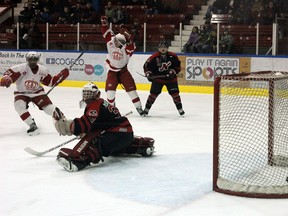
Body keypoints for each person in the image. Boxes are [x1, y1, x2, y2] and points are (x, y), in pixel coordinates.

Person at [53, 82, 155, 172]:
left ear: (96, 94)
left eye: (89, 94)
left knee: (97, 145)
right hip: (126, 133)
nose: (86, 97)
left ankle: (79, 162)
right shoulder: (102, 103)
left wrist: (69, 127)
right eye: (85, 94)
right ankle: (141, 147)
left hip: (118, 134)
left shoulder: (95, 104)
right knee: (114, 148)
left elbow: (86, 122)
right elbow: (99, 123)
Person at [0, 51, 69, 136]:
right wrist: (7, 79)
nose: (32, 62)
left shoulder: (42, 70)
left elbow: (50, 82)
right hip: (22, 93)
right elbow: (9, 74)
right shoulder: (20, 68)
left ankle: (65, 122)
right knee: (19, 105)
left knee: (48, 109)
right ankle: (32, 125)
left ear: (38, 60)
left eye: (35, 59)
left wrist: (60, 77)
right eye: (30, 59)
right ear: (27, 59)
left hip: (37, 92)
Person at [100, 15, 145, 116]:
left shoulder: (127, 49)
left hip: (123, 72)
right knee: (110, 93)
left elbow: (132, 46)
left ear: (122, 43)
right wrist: (104, 24)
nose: (114, 41)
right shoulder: (111, 42)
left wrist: (130, 39)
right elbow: (106, 32)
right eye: (115, 40)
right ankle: (111, 109)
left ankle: (139, 108)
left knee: (132, 91)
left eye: (117, 41)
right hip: (112, 71)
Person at [143, 40, 185, 116]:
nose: (163, 49)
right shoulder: (153, 57)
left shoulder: (173, 56)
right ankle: (146, 109)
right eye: (161, 47)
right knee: (153, 94)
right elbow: (146, 66)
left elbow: (178, 67)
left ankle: (180, 109)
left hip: (171, 79)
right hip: (158, 79)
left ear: (168, 48)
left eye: (165, 47)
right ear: (158, 48)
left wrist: (173, 71)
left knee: (175, 94)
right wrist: (148, 73)